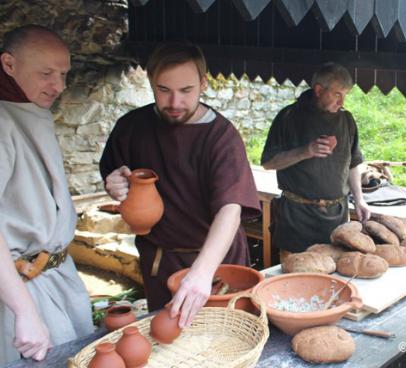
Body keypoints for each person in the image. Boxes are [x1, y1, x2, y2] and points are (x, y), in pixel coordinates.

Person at [99, 42, 260, 328]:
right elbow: (115, 174)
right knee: (168, 342)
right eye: (163, 90)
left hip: (218, 260)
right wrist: (115, 184)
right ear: (150, 82)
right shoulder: (131, 127)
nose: (174, 103)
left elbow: (230, 209)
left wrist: (201, 273)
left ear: (203, 83)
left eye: (186, 91)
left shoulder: (221, 137)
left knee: (223, 338)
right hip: (162, 260)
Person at [0, 25, 94, 364]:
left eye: (64, 74)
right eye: (46, 73)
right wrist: (24, 312)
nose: (59, 86)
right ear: (8, 64)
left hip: (55, 276)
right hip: (19, 290)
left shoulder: (27, 111)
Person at [261, 62, 370, 259]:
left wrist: (360, 199)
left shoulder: (346, 120)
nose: (342, 101)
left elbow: (353, 163)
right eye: (337, 94)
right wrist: (305, 151)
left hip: (336, 217)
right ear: (319, 90)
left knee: (333, 282)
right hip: (297, 217)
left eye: (345, 95)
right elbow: (268, 162)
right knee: (293, 280)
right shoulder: (288, 117)